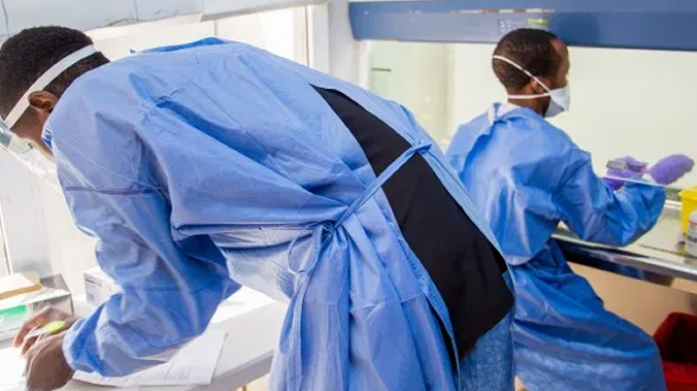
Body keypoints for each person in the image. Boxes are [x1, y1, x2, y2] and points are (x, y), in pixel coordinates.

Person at [0, 27, 517, 391]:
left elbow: (168, 300)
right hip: (456, 238)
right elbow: (205, 256)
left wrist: (71, 354)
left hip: (390, 273)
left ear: (46, 103)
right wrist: (93, 319)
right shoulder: (192, 60)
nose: (48, 151)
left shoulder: (84, 116)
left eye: (33, 140)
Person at [446, 28, 694, 391]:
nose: (565, 81)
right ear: (537, 84)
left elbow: (505, 194)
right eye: (564, 72)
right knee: (634, 360)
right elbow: (610, 225)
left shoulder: (470, 131)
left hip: (467, 284)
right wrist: (650, 184)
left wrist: (595, 187)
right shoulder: (553, 148)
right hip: (526, 296)